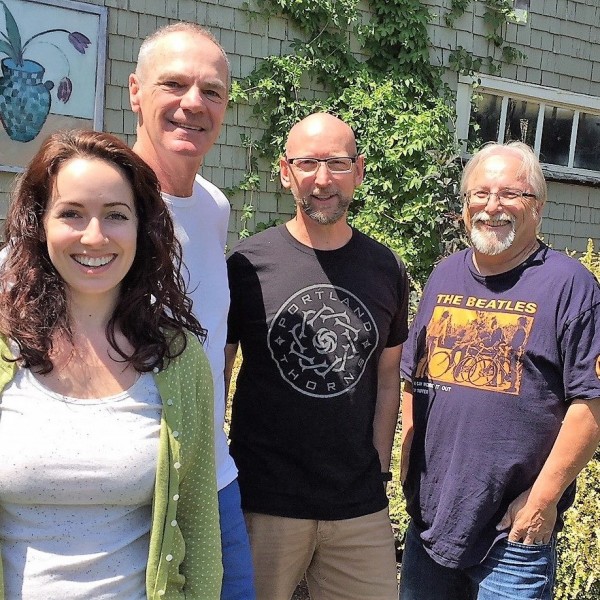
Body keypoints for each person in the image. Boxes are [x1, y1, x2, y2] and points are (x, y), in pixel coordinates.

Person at [0, 129, 222, 599]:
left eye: (116, 215)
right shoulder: (4, 348)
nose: (95, 236)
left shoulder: (178, 360)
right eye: (72, 214)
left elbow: (199, 525)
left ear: (143, 227)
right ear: (40, 223)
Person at [399, 141, 600, 599]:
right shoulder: (444, 275)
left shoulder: (570, 286)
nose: (492, 207)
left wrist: (541, 500)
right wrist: (410, 461)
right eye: (480, 193)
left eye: (511, 194)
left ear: (538, 207)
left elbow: (591, 402)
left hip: (513, 536)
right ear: (465, 204)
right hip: (430, 524)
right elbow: (414, 376)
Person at [225, 112, 409, 600]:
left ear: (359, 171)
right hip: (264, 501)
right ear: (286, 172)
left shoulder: (386, 268)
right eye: (307, 163)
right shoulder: (246, 265)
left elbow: (388, 376)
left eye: (337, 163)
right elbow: (219, 371)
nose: (322, 179)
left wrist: (379, 467)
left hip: (358, 505)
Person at [128, 23, 255, 599]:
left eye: (212, 91)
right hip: (130, 486)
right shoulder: (97, 204)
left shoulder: (213, 207)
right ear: (135, 92)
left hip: (214, 480)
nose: (193, 104)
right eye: (174, 84)